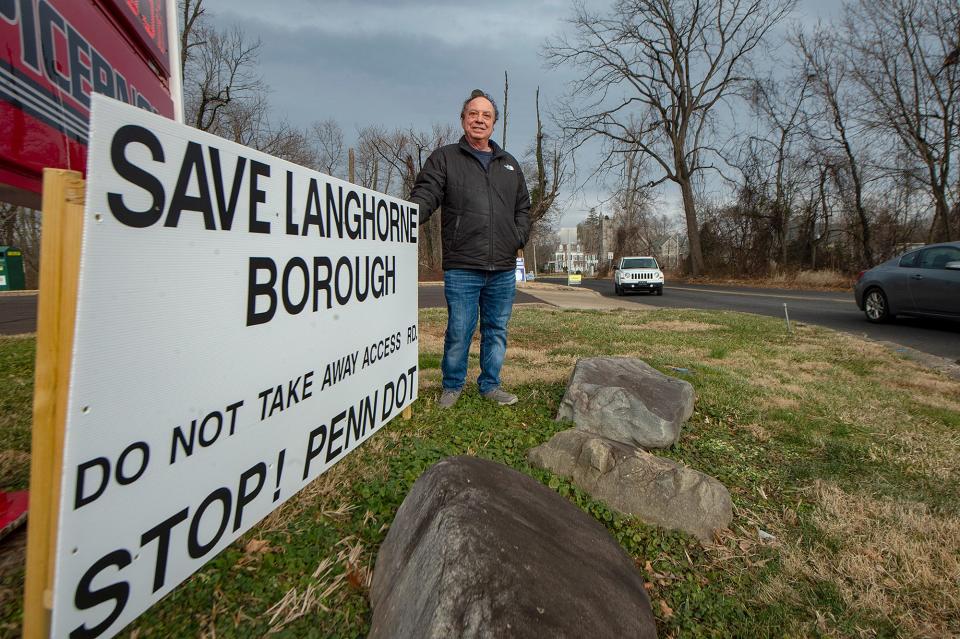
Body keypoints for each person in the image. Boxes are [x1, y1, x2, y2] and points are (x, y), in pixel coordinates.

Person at [410, 89, 531, 408]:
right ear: (463, 119)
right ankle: (452, 386)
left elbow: (524, 207)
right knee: (460, 329)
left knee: (496, 329)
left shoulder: (510, 164)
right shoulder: (445, 158)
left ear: (494, 123)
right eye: (473, 114)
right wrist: (406, 217)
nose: (479, 119)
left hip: (503, 268)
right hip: (463, 265)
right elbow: (426, 194)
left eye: (486, 115)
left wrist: (517, 237)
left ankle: (490, 385)